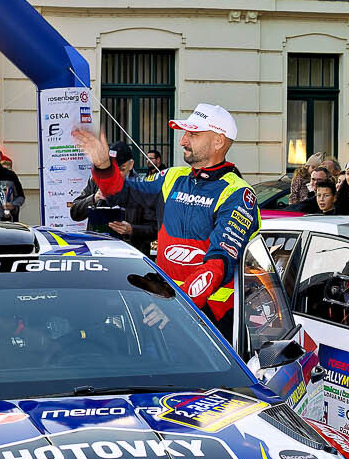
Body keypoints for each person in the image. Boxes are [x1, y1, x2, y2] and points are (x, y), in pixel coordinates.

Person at [72, 104, 257, 336]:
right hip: (164, 307)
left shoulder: (238, 193)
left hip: (210, 318)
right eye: (185, 133)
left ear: (218, 141)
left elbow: (218, 264)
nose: (183, 141)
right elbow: (122, 194)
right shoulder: (172, 177)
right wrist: (104, 167)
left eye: (193, 134)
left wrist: (178, 304)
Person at [68, 145, 158, 249]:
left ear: (131, 165)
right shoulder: (96, 180)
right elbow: (74, 213)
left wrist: (131, 229)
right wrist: (94, 198)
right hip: (98, 248)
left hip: (128, 251)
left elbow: (154, 229)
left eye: (120, 169)